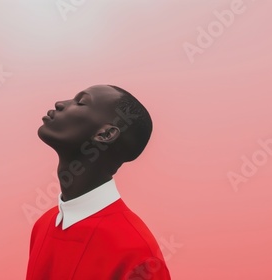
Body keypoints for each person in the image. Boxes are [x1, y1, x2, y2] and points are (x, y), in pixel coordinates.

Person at [26, 85, 171, 279]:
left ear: (105, 134)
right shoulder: (43, 225)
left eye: (81, 102)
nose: (60, 104)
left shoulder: (137, 252)